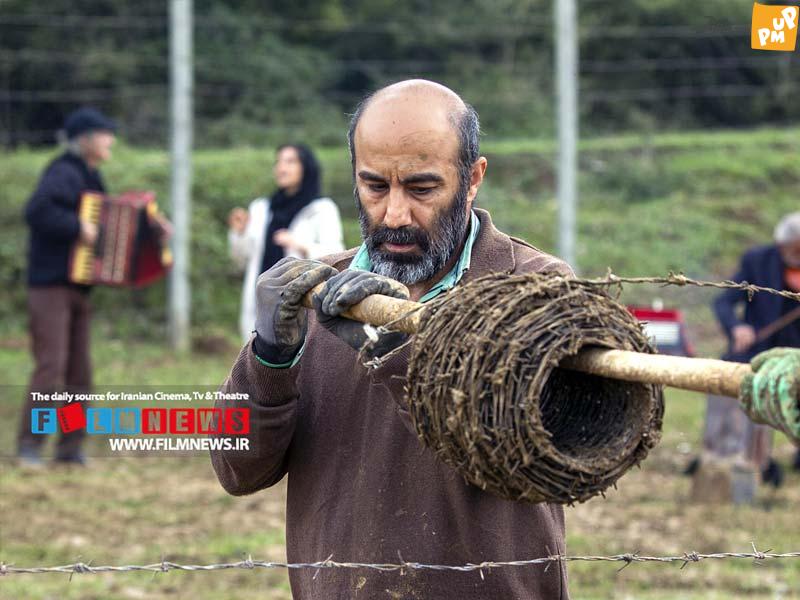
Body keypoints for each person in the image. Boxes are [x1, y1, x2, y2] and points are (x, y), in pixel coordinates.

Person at [210, 80, 573, 599]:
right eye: (375, 186)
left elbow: (527, 456)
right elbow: (235, 470)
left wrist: (387, 350)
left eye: (422, 188)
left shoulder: (534, 289)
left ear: (472, 179)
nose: (395, 215)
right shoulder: (316, 296)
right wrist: (269, 356)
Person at [17, 107, 117, 466]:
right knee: (51, 367)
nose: (111, 141)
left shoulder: (92, 177)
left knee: (79, 372)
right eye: (104, 134)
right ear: (85, 139)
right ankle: (29, 444)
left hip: (79, 287)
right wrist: (77, 228)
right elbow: (38, 211)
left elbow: (111, 223)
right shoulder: (62, 171)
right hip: (50, 287)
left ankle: (69, 449)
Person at [698, 211, 800, 486]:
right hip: (756, 349)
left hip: (795, 355)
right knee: (729, 381)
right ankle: (728, 452)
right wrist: (737, 328)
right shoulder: (757, 261)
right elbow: (724, 302)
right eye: (796, 249)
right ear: (783, 245)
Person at [227, 144, 344, 341]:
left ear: (306, 168)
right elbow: (242, 260)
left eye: (290, 161)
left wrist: (300, 245)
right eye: (279, 161)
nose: (281, 168)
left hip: (300, 302)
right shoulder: (261, 208)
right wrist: (240, 233)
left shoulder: (322, 209)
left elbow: (336, 254)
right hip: (262, 300)